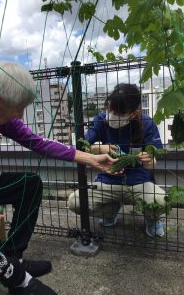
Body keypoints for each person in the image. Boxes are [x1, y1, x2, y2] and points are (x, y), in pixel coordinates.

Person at [0, 62, 119, 295]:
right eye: (19, 108)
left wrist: (90, 159)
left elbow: (39, 142)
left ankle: (14, 257)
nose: (21, 115)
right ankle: (19, 280)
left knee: (29, 184)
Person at [68, 83, 166, 238]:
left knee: (160, 202)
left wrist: (149, 160)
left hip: (139, 181)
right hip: (107, 180)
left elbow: (154, 159)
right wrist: (99, 148)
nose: (112, 114)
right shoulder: (100, 120)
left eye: (119, 113)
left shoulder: (146, 123)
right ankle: (110, 211)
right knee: (75, 202)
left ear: (134, 113)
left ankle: (152, 220)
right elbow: (81, 146)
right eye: (110, 108)